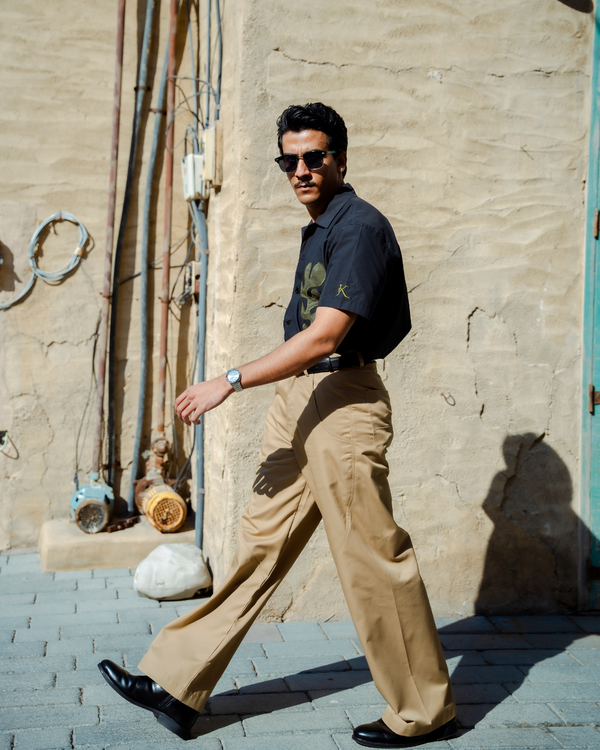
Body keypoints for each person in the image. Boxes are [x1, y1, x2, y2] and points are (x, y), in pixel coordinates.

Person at [98, 102, 457, 747]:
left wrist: (230, 381)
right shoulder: (319, 228)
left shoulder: (359, 228)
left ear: (339, 159)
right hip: (302, 399)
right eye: (289, 161)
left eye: (313, 157)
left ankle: (425, 710)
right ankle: (178, 684)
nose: (300, 171)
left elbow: (325, 336)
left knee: (373, 556)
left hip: (343, 400)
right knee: (260, 544)